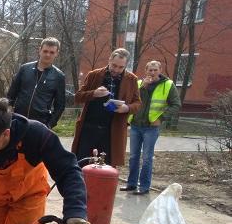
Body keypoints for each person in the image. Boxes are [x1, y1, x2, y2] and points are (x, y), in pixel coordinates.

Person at [72, 48, 141, 167]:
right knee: (82, 163)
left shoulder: (131, 79)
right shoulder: (94, 75)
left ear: (125, 65)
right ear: (109, 60)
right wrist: (94, 93)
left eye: (121, 67)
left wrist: (126, 108)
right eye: (114, 65)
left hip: (112, 131)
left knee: (107, 166)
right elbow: (78, 97)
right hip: (89, 128)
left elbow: (138, 104)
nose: (116, 70)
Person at [122, 60, 181, 195]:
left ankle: (144, 187)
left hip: (151, 127)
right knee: (133, 157)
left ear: (160, 70)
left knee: (147, 158)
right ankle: (131, 184)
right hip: (136, 125)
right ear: (146, 71)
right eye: (150, 70)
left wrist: (161, 118)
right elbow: (132, 100)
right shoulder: (138, 84)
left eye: (155, 70)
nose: (152, 72)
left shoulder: (168, 85)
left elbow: (176, 105)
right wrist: (143, 87)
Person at [6, 37, 66, 128]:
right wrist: (9, 110)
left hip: (40, 124)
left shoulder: (59, 76)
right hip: (17, 120)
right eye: (45, 51)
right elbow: (12, 93)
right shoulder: (25, 69)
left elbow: (60, 105)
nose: (48, 55)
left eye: (52, 52)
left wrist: (49, 125)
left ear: (56, 53)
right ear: (40, 50)